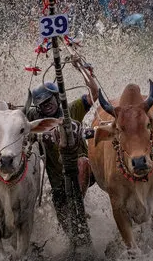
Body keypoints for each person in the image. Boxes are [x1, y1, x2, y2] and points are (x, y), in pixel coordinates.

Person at [26, 59, 99, 245]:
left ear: (57, 98)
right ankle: (75, 249)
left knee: (82, 163)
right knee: (69, 230)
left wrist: (84, 71)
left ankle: (78, 202)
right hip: (58, 182)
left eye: (49, 101)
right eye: (42, 104)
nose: (47, 106)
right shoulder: (34, 118)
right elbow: (15, 124)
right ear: (38, 107)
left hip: (81, 173)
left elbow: (94, 94)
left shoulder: (71, 109)